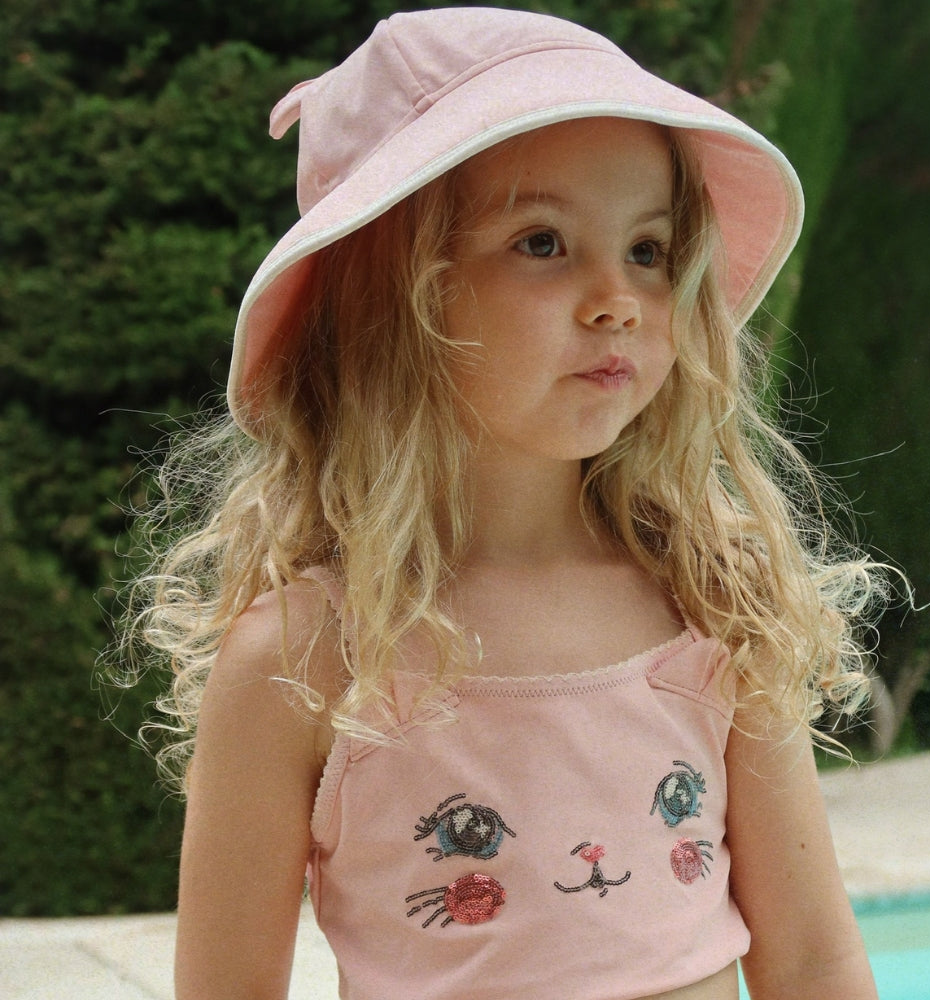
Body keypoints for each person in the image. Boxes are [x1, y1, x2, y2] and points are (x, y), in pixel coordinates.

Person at [125, 7, 890, 999]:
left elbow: (814, 959)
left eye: (649, 250)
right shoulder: (306, 658)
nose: (617, 297)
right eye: (542, 242)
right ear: (391, 298)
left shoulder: (708, 597)